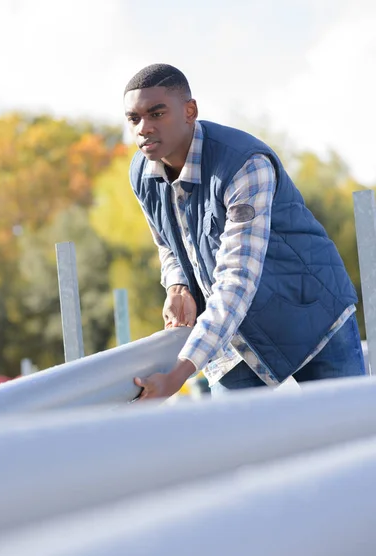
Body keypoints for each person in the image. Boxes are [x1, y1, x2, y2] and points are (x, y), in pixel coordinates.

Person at [123, 63, 365, 400]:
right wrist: (177, 283)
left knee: (346, 437)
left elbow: (236, 280)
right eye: (134, 119)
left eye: (157, 113)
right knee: (243, 449)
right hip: (232, 341)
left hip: (310, 317)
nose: (143, 128)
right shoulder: (142, 173)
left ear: (190, 111)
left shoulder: (244, 164)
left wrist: (177, 373)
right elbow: (166, 241)